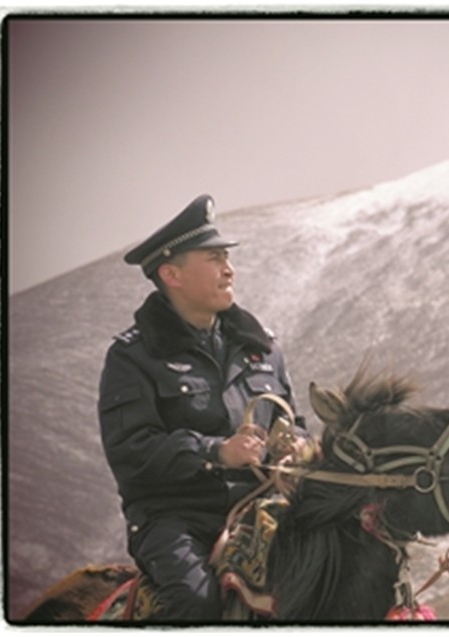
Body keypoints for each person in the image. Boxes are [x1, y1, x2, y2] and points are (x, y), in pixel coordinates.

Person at [98, 194, 306, 621]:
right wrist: (216, 452)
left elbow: (293, 422)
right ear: (171, 274)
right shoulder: (132, 357)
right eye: (214, 258)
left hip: (263, 509)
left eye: (227, 257)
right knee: (196, 604)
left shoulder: (262, 347)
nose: (229, 269)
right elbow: (131, 452)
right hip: (176, 520)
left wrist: (296, 446)